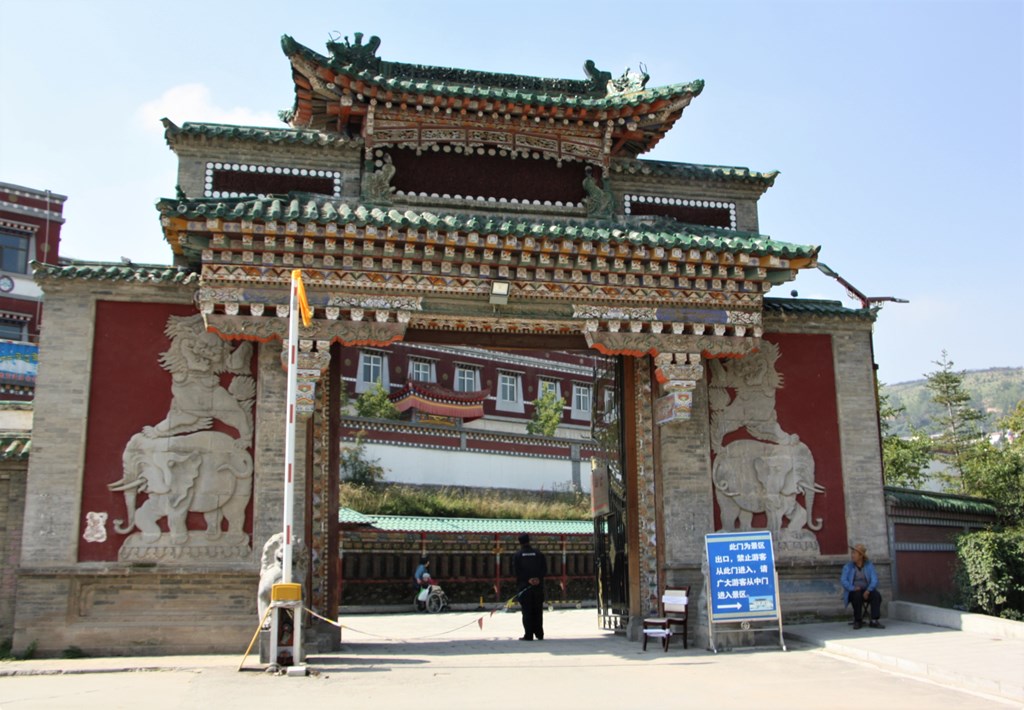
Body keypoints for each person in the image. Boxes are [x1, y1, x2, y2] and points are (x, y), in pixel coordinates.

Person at [841, 543, 885, 629]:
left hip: (866, 590)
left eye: (854, 553)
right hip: (853, 591)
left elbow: (874, 579)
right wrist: (852, 588)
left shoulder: (869, 565)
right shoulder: (848, 566)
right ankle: (858, 620)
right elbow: (843, 580)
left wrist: (868, 590)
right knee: (856, 595)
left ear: (861, 556)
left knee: (876, 595)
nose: (852, 555)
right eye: (852, 553)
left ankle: (874, 620)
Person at [513, 534, 547, 641]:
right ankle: (539, 634)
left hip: (525, 588)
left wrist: (528, 580)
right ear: (529, 541)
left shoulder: (518, 555)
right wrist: (538, 579)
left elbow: (516, 571)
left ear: (520, 542)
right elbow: (544, 569)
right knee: (538, 611)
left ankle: (528, 635)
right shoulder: (538, 554)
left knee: (527, 612)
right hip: (538, 587)